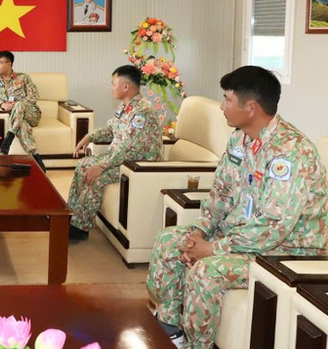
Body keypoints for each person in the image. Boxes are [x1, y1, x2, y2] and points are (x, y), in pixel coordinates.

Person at [147, 65, 328, 348]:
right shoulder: (239, 139)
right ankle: (171, 329)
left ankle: (197, 345)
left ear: (251, 108)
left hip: (283, 252)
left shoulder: (292, 152)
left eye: (228, 99)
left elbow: (274, 227)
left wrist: (213, 249)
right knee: (170, 241)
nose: (222, 106)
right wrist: (199, 233)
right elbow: (221, 193)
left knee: (206, 271)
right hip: (243, 239)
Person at [67, 65, 163, 240]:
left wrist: (101, 166)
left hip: (137, 165)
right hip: (119, 158)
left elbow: (130, 149)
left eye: (113, 84)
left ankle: (79, 229)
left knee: (95, 177)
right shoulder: (124, 107)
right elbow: (111, 128)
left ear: (126, 86)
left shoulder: (142, 112)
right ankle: (72, 216)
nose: (111, 88)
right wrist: (89, 136)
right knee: (82, 165)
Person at [0, 50, 46, 171]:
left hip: (30, 113)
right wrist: (2, 105)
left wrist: (17, 104)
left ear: (9, 64)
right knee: (22, 125)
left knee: (19, 105)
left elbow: (33, 96)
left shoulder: (23, 78)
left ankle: (9, 137)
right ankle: (36, 157)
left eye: (0, 62)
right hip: (16, 118)